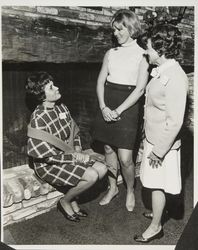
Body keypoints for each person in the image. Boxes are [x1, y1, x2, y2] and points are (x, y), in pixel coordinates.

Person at [26, 72, 107, 222]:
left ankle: (73, 196)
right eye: (51, 87)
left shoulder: (62, 107)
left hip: (68, 155)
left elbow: (74, 132)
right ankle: (66, 201)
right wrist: (74, 157)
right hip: (48, 164)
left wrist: (77, 149)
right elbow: (47, 156)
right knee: (92, 175)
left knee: (102, 169)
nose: (57, 88)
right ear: (41, 96)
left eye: (54, 84)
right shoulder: (38, 119)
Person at [133, 24, 188, 242]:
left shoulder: (175, 76)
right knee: (155, 183)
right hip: (154, 138)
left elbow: (175, 121)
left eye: (147, 48)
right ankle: (158, 211)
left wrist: (159, 151)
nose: (146, 52)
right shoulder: (163, 71)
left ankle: (156, 226)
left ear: (161, 47)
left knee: (156, 184)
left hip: (162, 144)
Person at [92, 9, 149, 211]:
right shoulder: (111, 53)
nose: (115, 33)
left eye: (119, 29)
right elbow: (100, 82)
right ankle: (112, 187)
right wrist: (103, 107)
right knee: (108, 149)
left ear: (131, 28)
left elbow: (140, 89)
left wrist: (118, 111)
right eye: (114, 30)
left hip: (128, 107)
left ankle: (131, 190)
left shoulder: (143, 55)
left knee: (125, 158)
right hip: (107, 103)